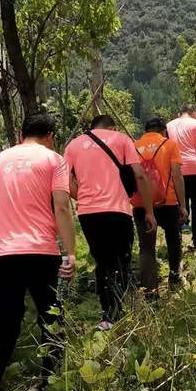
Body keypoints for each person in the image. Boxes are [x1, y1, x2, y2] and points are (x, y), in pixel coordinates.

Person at [0, 112, 76, 391]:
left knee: (5, 324)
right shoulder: (53, 159)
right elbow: (61, 206)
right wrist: (71, 251)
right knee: (50, 319)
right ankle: (51, 385)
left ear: (21, 134)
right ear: (50, 134)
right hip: (41, 252)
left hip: (5, 256)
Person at [65, 114, 155, 330]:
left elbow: (66, 183)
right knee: (121, 260)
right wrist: (149, 211)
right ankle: (118, 311)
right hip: (118, 210)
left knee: (102, 261)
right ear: (112, 127)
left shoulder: (73, 145)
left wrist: (84, 197)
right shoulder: (122, 139)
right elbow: (139, 175)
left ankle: (107, 315)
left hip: (88, 213)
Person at [133, 117, 188, 296]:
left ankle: (150, 290)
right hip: (168, 202)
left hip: (142, 204)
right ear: (164, 130)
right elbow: (178, 176)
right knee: (173, 239)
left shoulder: (134, 146)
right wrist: (183, 205)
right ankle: (174, 276)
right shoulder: (169, 145)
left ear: (146, 131)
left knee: (146, 246)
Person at [167, 103, 196, 249]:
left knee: (178, 206)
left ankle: (176, 240)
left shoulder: (168, 126)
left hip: (175, 170)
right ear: (194, 113)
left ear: (179, 113)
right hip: (194, 169)